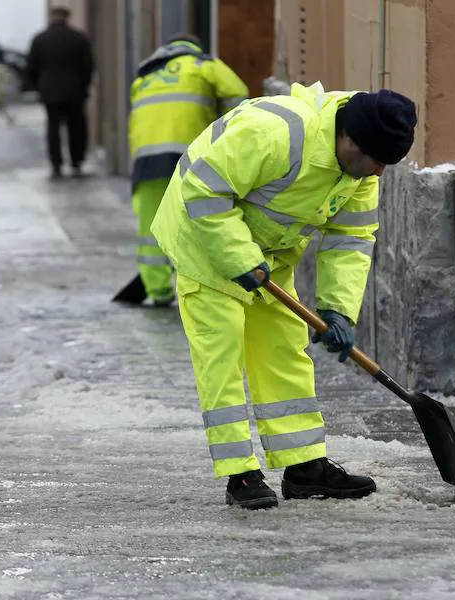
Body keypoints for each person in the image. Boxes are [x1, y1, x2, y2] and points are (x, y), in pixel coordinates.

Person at [150, 82, 417, 509]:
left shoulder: (360, 169)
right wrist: (238, 256)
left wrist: (337, 310)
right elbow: (203, 190)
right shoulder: (275, 132)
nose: (378, 173)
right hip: (203, 242)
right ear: (348, 137)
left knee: (285, 349)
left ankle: (304, 467)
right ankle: (241, 474)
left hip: (269, 256)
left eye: (387, 164)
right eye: (374, 159)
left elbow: (350, 238)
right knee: (221, 356)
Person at [127, 33, 248, 306]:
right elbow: (237, 93)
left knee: (151, 227)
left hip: (146, 161)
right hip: (190, 157)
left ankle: (158, 291)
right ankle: (206, 285)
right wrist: (227, 131)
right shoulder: (203, 64)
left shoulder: (144, 77)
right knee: (201, 217)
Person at [26, 7, 94, 179]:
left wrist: (38, 86)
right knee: (76, 127)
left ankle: (56, 164)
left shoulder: (40, 39)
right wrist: (83, 85)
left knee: (53, 128)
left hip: (49, 90)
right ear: (67, 18)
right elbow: (88, 67)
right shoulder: (78, 38)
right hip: (74, 90)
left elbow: (31, 67)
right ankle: (76, 161)